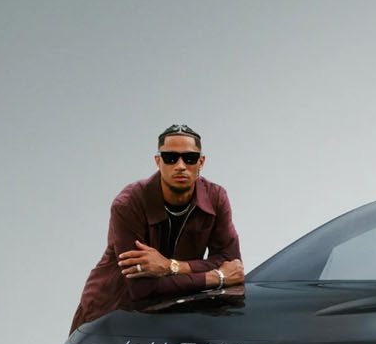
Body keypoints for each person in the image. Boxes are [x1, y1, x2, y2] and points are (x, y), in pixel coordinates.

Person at [69, 124, 245, 332]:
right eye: (171, 158)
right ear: (158, 161)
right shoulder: (128, 203)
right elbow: (142, 288)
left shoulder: (216, 197)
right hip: (111, 314)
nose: (180, 166)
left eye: (189, 158)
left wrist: (171, 266)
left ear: (201, 162)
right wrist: (215, 277)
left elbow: (231, 263)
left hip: (172, 314)